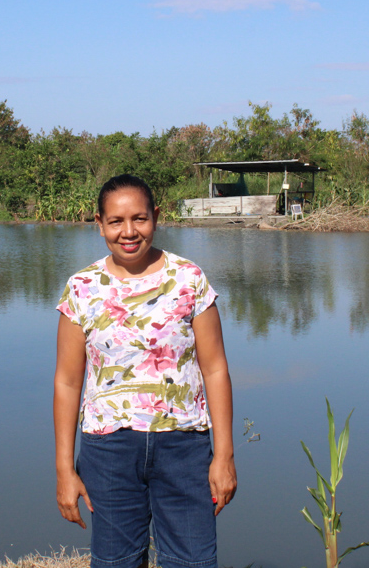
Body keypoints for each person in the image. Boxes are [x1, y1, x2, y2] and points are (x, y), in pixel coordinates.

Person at [54, 174, 236, 568]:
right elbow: (67, 382)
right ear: (99, 223)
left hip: (184, 447)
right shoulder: (82, 288)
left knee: (193, 562)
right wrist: (64, 468)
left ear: (157, 216)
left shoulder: (189, 279)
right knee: (116, 562)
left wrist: (223, 455)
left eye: (140, 218)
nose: (129, 232)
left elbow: (216, 369)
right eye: (116, 222)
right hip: (109, 452)